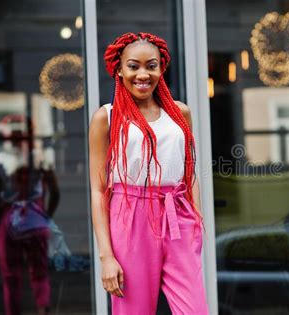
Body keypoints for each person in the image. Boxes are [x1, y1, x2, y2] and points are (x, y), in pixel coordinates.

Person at [89, 32, 210, 314]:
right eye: (133, 66)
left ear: (161, 68)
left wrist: (196, 221)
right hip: (129, 217)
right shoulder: (105, 118)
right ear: (119, 69)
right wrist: (106, 256)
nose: (143, 74)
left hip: (177, 216)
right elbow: (98, 189)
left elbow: (189, 173)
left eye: (151, 65)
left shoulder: (180, 113)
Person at [0, 119, 60, 315]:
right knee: (39, 272)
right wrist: (45, 216)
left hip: (8, 216)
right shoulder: (40, 158)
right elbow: (55, 192)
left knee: (11, 277)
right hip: (35, 216)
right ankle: (43, 310)